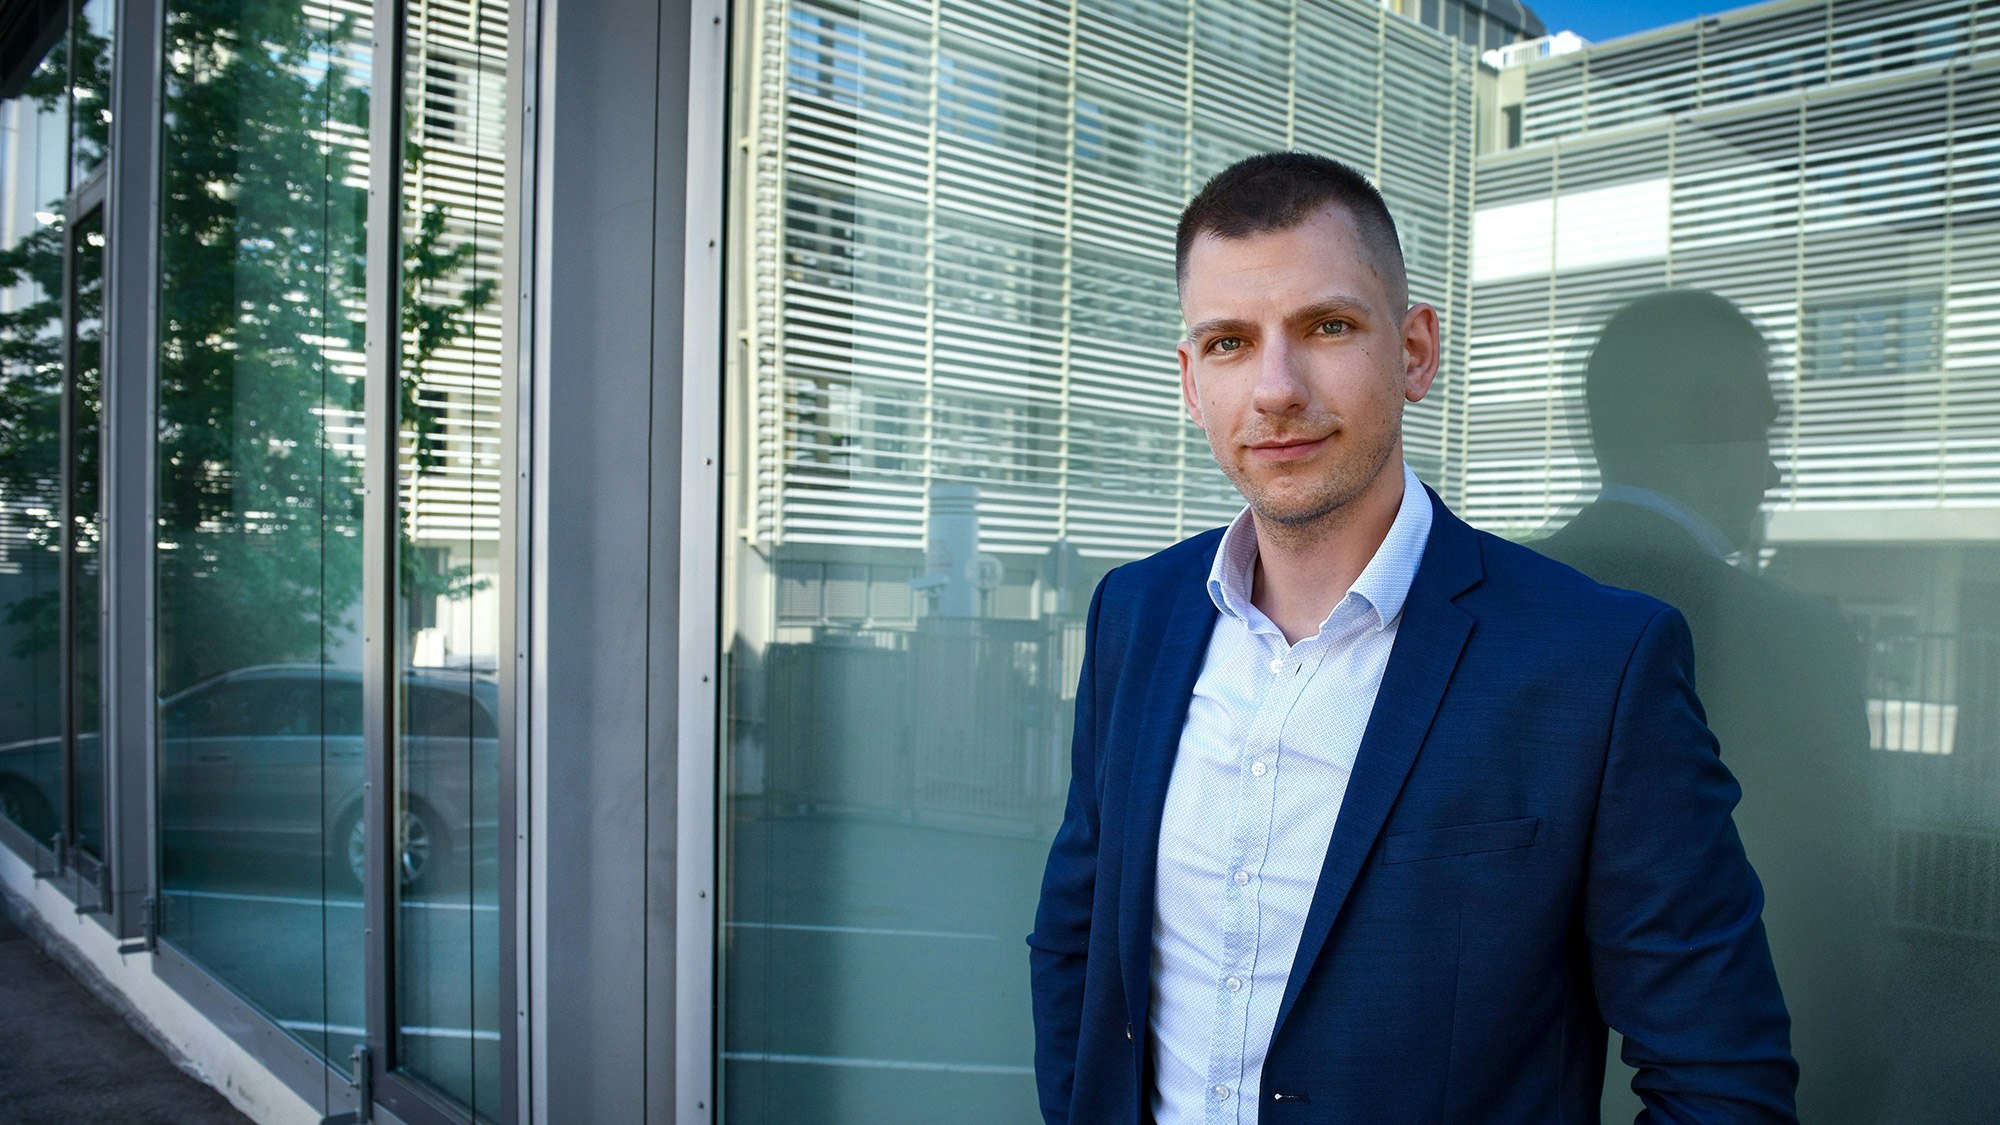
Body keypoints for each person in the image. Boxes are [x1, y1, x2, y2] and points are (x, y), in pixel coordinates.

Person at [1027, 153, 1798, 1123]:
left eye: (1326, 326)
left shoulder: (1595, 666)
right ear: (1190, 384)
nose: (1273, 388)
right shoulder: (1133, 615)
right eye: (1228, 343)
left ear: (1414, 351)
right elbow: (1075, 943)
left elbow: (1719, 1081)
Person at [1534, 289, 1881, 1123]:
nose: (1776, 467)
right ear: (1711, 422)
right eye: (1764, 427)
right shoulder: (1799, 645)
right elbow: (1836, 943)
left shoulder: (1472, 609)